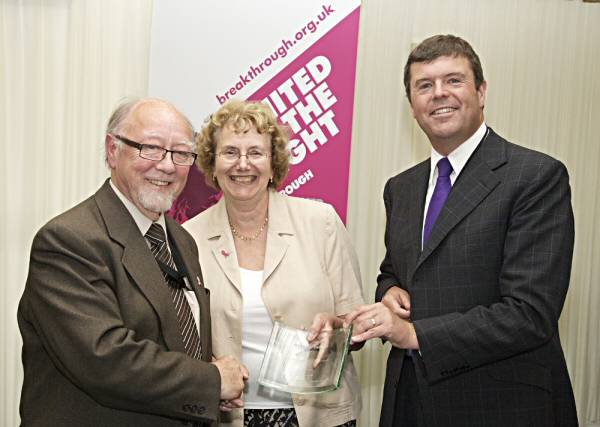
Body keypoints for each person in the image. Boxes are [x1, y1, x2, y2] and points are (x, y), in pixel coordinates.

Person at [345, 35, 578, 427]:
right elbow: (396, 271)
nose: (439, 94)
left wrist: (412, 333)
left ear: (481, 92)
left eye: (453, 80)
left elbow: (530, 313)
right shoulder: (400, 188)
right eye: (424, 85)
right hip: (410, 402)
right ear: (413, 106)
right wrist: (389, 294)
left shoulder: (535, 176)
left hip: (501, 405)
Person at [18, 97, 248, 426]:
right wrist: (210, 381)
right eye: (151, 148)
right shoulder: (69, 241)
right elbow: (104, 359)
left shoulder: (181, 240)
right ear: (113, 150)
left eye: (181, 153)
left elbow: (167, 333)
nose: (167, 165)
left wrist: (205, 380)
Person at [183, 100, 364, 427]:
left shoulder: (320, 222)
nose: (242, 164)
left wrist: (339, 327)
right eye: (230, 152)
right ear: (212, 161)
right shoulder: (188, 238)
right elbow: (179, 336)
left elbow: (356, 321)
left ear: (273, 161)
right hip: (229, 415)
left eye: (255, 152)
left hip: (320, 414)